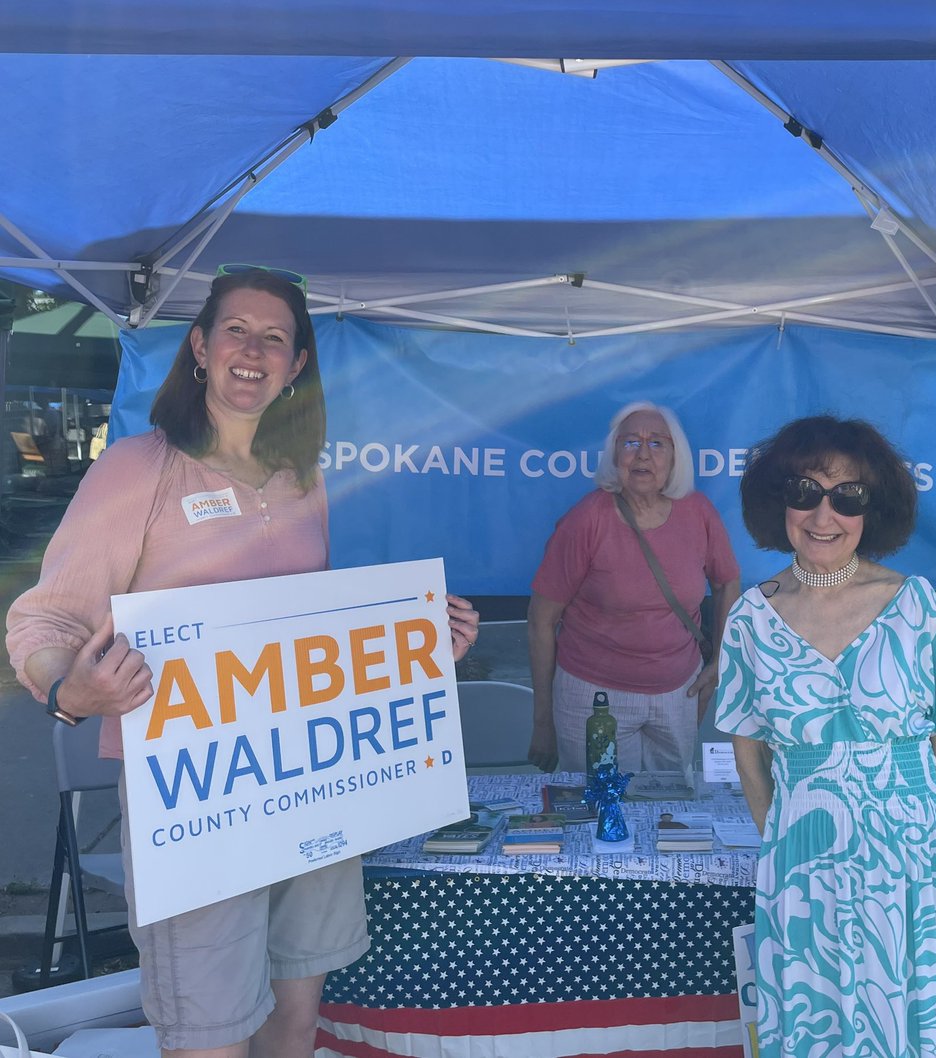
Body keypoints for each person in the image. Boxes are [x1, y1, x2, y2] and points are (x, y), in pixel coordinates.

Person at [7, 267, 480, 1058]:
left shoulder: (302, 481)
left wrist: (414, 651)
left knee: (294, 1022)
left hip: (314, 788)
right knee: (210, 1037)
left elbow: (307, 635)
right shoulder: (140, 468)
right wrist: (70, 688)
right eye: (237, 330)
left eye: (275, 338)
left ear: (297, 365)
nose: (253, 350)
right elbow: (43, 617)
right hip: (198, 801)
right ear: (199, 346)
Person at [714, 415, 936, 1058]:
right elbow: (748, 749)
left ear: (871, 508)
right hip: (801, 858)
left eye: (846, 496)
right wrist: (786, 836)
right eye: (804, 491)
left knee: (913, 1021)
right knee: (813, 1020)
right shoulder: (750, 616)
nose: (823, 514)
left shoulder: (915, 603)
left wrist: (919, 824)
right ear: (779, 503)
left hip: (908, 856)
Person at [527, 401, 740, 774]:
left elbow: (726, 583)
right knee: (602, 815)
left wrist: (720, 660)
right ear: (614, 455)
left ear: (676, 457)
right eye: (630, 443)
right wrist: (542, 721)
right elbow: (540, 622)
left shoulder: (698, 512)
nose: (643, 454)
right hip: (594, 700)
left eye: (657, 443)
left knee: (670, 813)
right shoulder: (586, 521)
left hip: (678, 695)